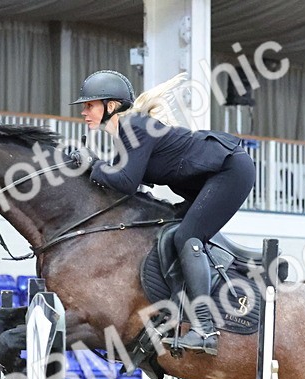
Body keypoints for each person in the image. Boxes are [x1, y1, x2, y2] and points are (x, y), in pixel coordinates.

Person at [70, 70, 256, 355]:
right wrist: (89, 170)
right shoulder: (127, 134)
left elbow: (127, 183)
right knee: (172, 229)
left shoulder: (135, 126)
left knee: (186, 237)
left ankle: (204, 329)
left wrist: (92, 166)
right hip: (207, 181)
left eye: (89, 105)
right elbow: (122, 187)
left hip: (230, 171)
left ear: (110, 107)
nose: (84, 112)